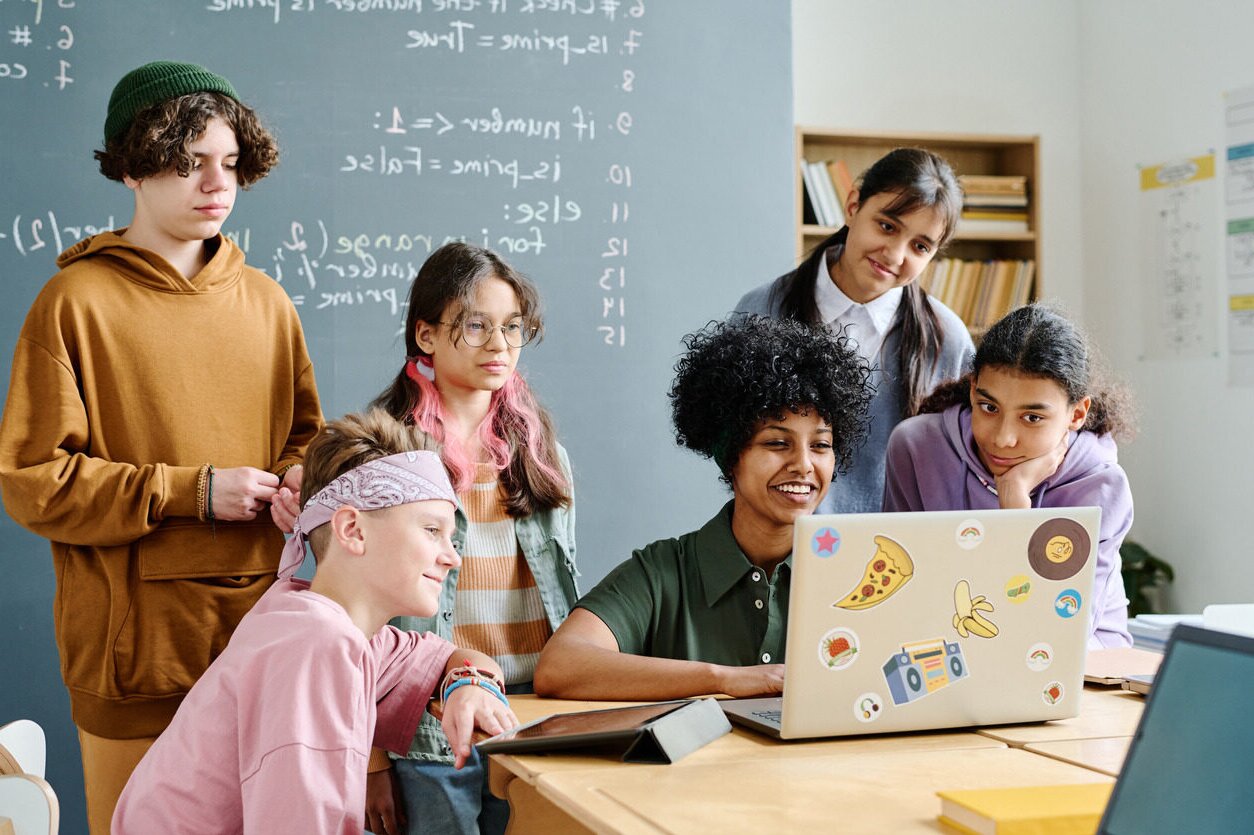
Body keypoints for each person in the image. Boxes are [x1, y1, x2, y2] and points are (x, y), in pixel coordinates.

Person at [0, 61, 323, 831]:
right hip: (134, 663)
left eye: (229, 164)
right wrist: (192, 491)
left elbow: (304, 441)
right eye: (189, 164)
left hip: (260, 650)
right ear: (134, 167)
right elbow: (32, 479)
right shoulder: (75, 304)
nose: (216, 185)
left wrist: (300, 479)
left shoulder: (269, 304)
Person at [111, 410, 518, 833]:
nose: (451, 556)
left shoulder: (331, 625)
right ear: (352, 530)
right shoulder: (315, 642)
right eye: (431, 530)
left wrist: (469, 684)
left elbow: (449, 655)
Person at [533, 315, 873, 700]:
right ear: (730, 457)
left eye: (821, 445)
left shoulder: (858, 577)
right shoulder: (662, 573)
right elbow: (561, 666)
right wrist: (722, 679)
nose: (804, 464)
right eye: (777, 444)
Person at [365, 242, 577, 834]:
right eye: (476, 325)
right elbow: (358, 616)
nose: (499, 345)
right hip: (427, 729)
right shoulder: (387, 452)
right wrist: (372, 757)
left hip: (530, 718)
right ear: (426, 335)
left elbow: (565, 588)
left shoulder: (542, 455)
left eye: (512, 328)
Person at [736, 147, 974, 514]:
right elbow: (731, 443)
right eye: (887, 225)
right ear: (852, 206)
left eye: (920, 246)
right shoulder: (760, 311)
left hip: (898, 557)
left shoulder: (949, 341)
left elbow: (962, 465)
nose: (895, 254)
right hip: (777, 549)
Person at [883, 304, 1135, 648]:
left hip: (1084, 662)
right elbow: (901, 593)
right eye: (989, 407)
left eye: (1031, 417)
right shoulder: (916, 447)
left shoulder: (1101, 486)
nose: (1002, 438)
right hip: (947, 647)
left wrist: (1015, 503)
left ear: (1077, 414)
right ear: (973, 390)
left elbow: (1059, 633)